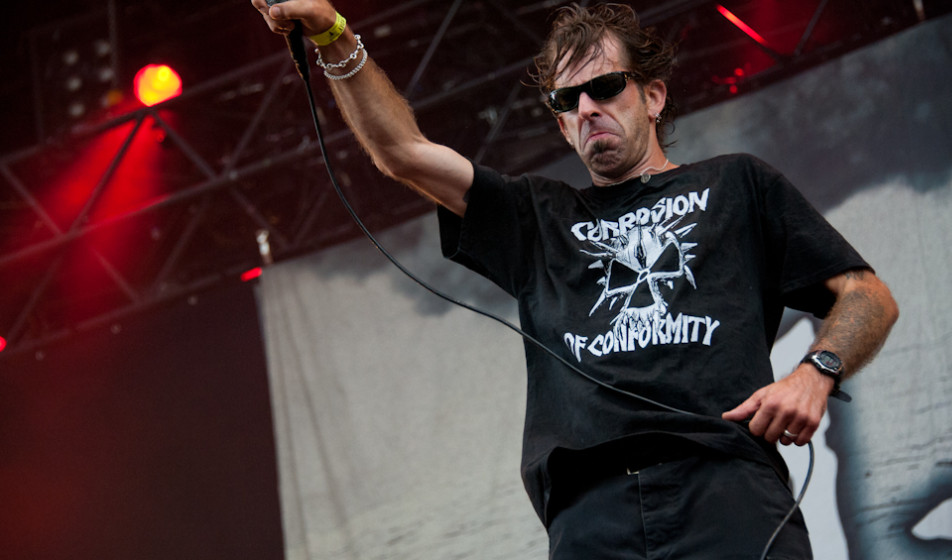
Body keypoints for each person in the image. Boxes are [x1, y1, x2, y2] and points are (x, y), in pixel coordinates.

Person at [252, 2, 899, 558]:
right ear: (560, 123)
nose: (588, 108)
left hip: (725, 486)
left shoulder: (737, 183)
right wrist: (334, 30)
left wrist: (818, 370)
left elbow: (866, 295)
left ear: (652, 94)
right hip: (591, 514)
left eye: (606, 86)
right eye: (568, 100)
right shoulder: (538, 215)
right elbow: (401, 153)